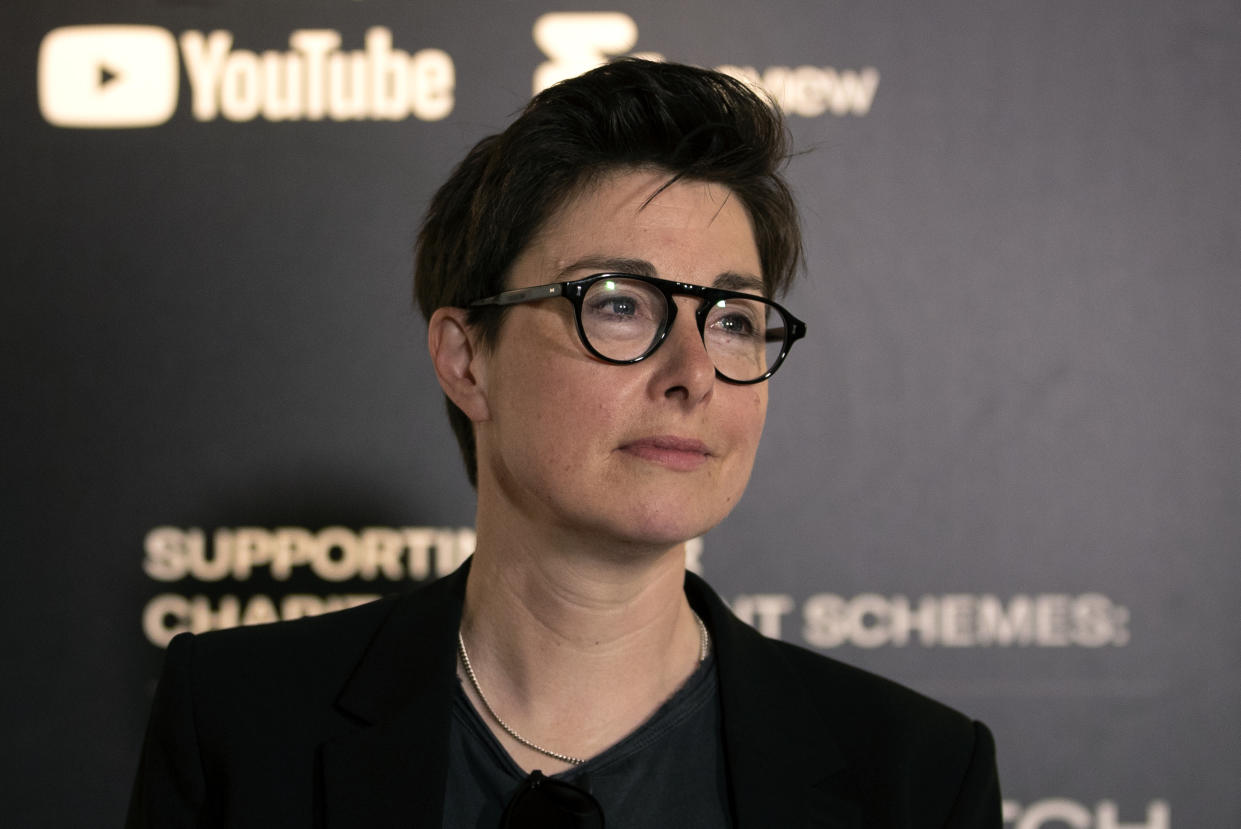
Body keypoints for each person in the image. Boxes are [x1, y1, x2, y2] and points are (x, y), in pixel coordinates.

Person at [127, 58, 1001, 827]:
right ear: (467, 360)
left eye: (733, 319)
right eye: (619, 303)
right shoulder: (240, 724)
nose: (692, 371)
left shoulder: (915, 773)